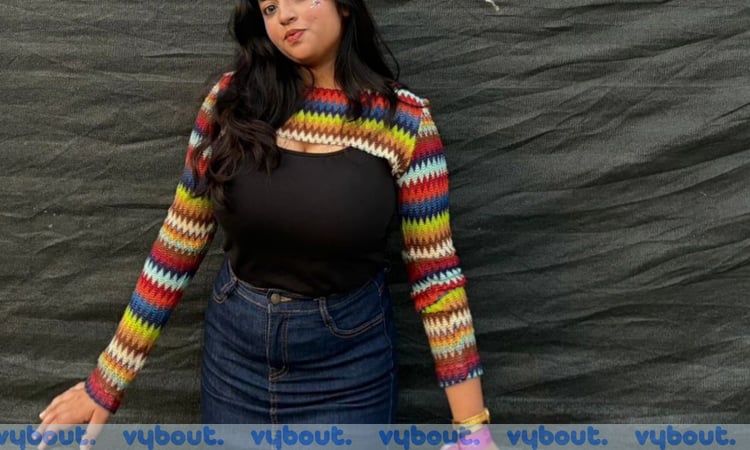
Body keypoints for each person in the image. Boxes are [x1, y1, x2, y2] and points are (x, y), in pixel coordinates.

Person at [37, 0, 497, 448]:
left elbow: (436, 277)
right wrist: (109, 379)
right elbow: (177, 244)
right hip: (235, 360)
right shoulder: (232, 102)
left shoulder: (404, 122)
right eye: (269, 8)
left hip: (348, 367)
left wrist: (472, 429)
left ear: (344, 5)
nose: (285, 16)